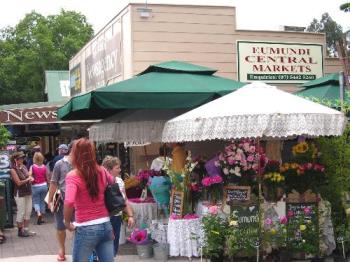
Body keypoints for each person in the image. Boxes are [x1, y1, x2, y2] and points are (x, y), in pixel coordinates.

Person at [64, 138, 115, 262]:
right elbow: (113, 181)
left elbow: (69, 201)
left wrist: (66, 222)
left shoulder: (73, 176)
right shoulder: (102, 170)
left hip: (86, 227)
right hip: (105, 225)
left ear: (76, 154)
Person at [102, 156, 135, 257]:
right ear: (108, 169)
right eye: (117, 168)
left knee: (114, 246)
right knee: (103, 246)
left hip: (116, 217)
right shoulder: (100, 182)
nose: (120, 170)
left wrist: (130, 216)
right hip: (103, 219)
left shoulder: (120, 181)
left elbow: (124, 200)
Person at [48, 143, 72, 262]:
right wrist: (50, 199)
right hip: (62, 199)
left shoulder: (82, 163)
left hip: (79, 201)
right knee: (60, 226)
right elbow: (53, 182)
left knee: (80, 226)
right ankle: (62, 249)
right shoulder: (59, 164)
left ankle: (79, 250)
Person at [10, 151, 35, 237]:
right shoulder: (13, 170)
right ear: (15, 159)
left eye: (22, 158)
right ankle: (20, 231)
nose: (22, 159)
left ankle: (26, 230)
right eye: (20, 158)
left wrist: (30, 177)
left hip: (28, 192)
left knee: (28, 211)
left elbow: (28, 175)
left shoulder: (24, 167)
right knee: (21, 212)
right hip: (19, 193)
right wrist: (28, 179)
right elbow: (18, 183)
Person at [29, 152, 49, 225]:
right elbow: (47, 177)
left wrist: (31, 178)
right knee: (42, 202)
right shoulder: (44, 167)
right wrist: (48, 184)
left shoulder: (32, 167)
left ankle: (38, 213)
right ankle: (42, 218)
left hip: (35, 186)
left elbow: (29, 175)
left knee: (36, 201)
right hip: (44, 185)